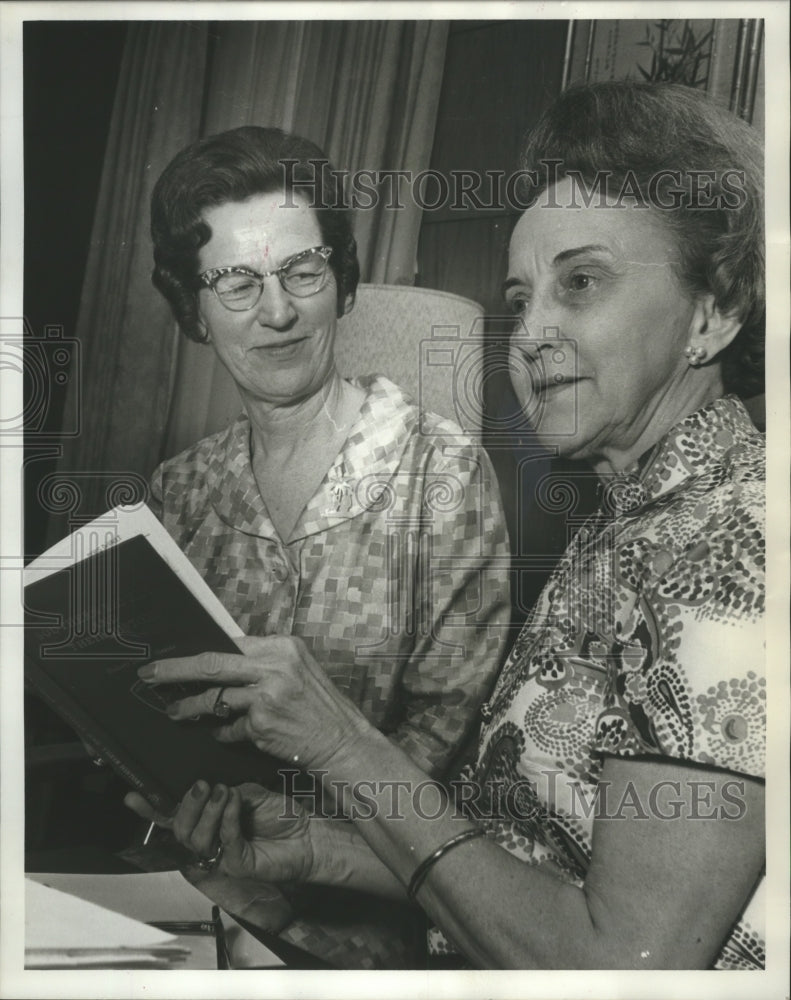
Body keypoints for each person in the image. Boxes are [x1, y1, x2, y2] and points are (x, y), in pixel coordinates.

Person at [130, 82, 766, 970]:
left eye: (579, 283)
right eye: (520, 294)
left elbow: (621, 969)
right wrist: (317, 852)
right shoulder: (629, 518)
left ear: (715, 310)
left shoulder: (734, 542)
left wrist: (339, 741)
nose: (529, 331)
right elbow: (539, 865)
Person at [143, 125, 511, 965]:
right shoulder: (177, 492)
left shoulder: (441, 473)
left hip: (369, 913)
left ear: (340, 281)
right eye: (235, 285)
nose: (277, 312)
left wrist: (295, 851)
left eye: (301, 273)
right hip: (195, 884)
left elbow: (449, 748)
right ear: (191, 310)